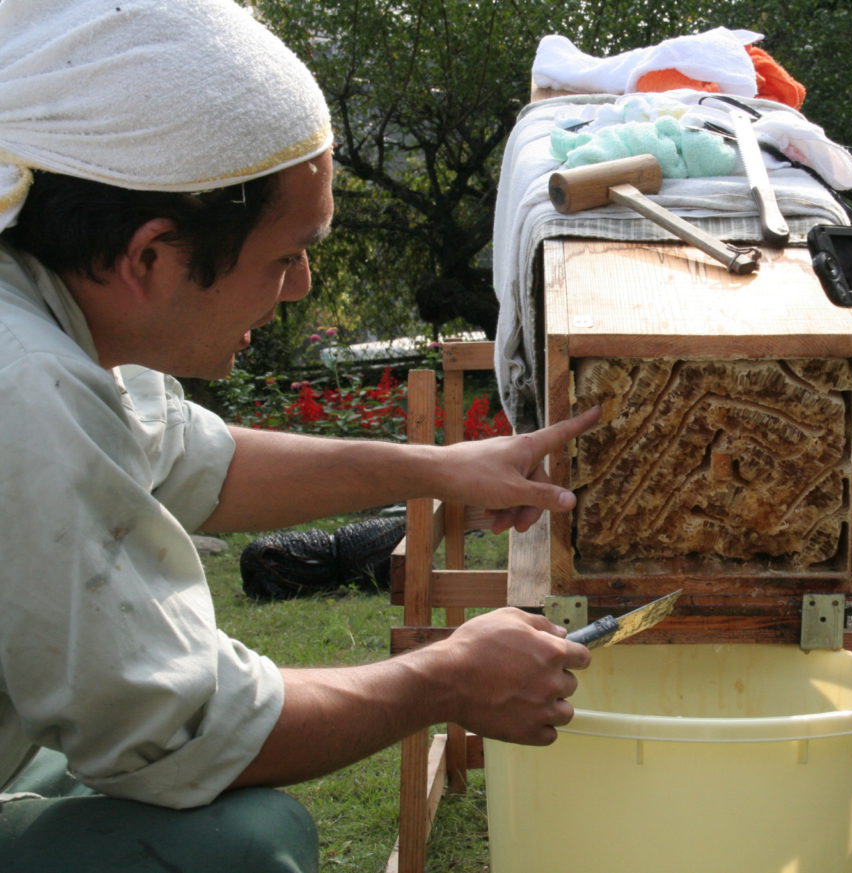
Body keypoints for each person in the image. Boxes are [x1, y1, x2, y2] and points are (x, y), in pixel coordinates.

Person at [0, 2, 596, 871]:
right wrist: (446, 679)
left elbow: (200, 462)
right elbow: (184, 730)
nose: (300, 287)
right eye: (285, 257)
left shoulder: (51, 308)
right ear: (151, 256)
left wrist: (444, 468)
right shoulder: (24, 385)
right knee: (237, 850)